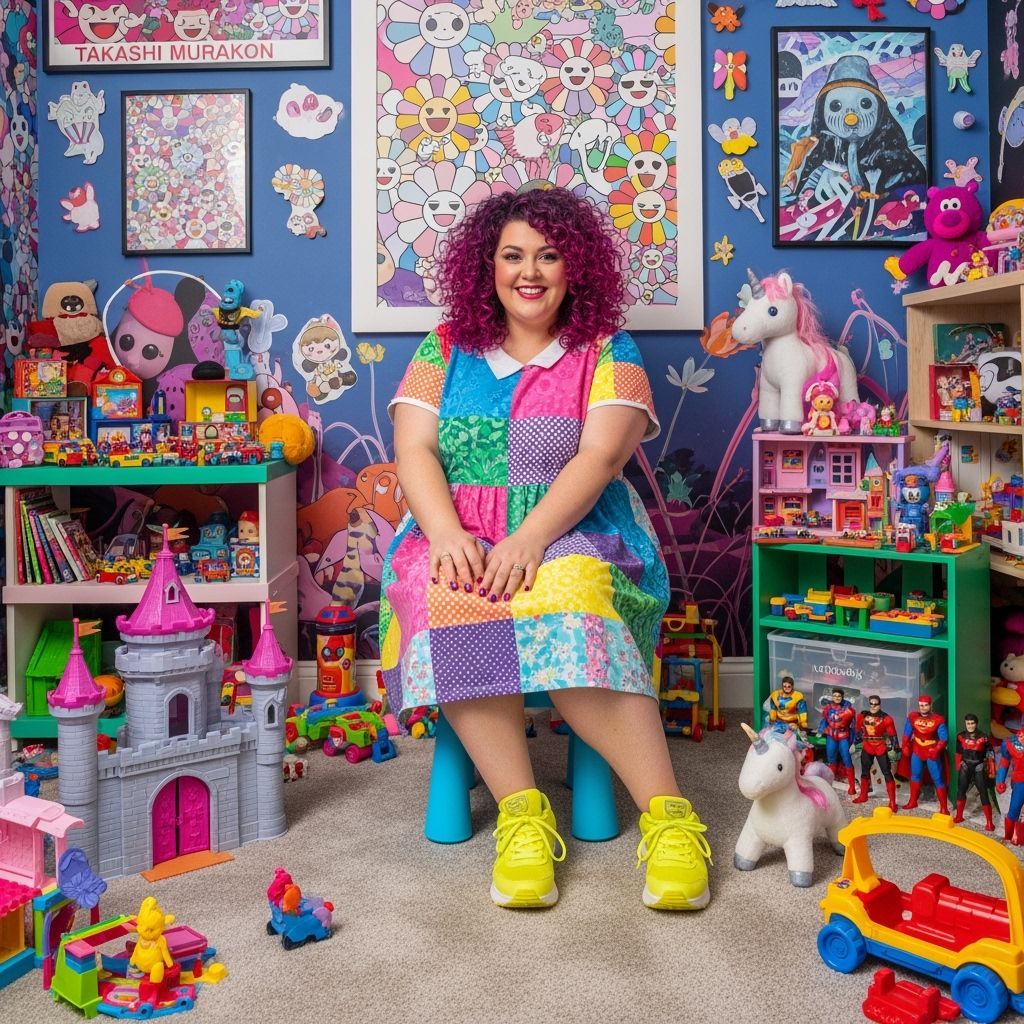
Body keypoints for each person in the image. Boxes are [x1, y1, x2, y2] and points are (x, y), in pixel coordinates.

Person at [379, 187, 711, 911]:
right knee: (451, 597)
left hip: (575, 529)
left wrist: (531, 540)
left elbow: (597, 460)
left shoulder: (607, 350)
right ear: (487, 267)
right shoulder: (443, 346)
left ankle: (670, 820)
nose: (530, 272)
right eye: (513, 255)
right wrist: (445, 535)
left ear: (575, 266)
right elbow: (415, 448)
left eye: (549, 255)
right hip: (455, 528)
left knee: (571, 598)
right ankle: (521, 815)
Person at [901, 695, 949, 814]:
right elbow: (906, 733)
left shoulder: (938, 719)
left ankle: (944, 808)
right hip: (917, 750)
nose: (923, 707)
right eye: (921, 705)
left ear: (930, 705)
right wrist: (905, 745)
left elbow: (944, 738)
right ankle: (913, 801)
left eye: (926, 705)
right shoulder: (913, 717)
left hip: (931, 750)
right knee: (915, 775)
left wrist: (936, 749)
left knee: (937, 778)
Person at [852, 694, 898, 811]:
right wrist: (854, 743)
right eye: (871, 704)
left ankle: (892, 802)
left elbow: (893, 735)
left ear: (879, 704)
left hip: (880, 746)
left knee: (886, 772)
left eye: (875, 704)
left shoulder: (886, 718)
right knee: (865, 772)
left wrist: (894, 748)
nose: (873, 706)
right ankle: (863, 795)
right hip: (867, 745)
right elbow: (858, 731)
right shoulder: (862, 716)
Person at [955, 713, 994, 831]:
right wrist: (959, 764)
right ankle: (959, 816)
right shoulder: (960, 736)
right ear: (965, 723)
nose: (970, 725)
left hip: (979, 766)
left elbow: (990, 754)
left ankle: (989, 822)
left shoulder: (984, 737)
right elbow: (958, 752)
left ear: (976, 723)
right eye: (968, 723)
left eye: (972, 723)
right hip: (966, 765)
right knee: (961, 791)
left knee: (983, 793)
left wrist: (990, 768)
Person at [818, 687, 857, 796]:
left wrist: (853, 742)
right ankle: (830, 783)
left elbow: (854, 727)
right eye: (835, 696)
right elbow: (825, 721)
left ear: (842, 697)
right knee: (831, 759)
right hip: (831, 735)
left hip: (843, 736)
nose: (837, 698)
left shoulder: (849, 710)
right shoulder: (828, 708)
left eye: (839, 696)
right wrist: (820, 730)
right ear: (832, 697)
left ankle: (852, 786)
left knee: (847, 759)